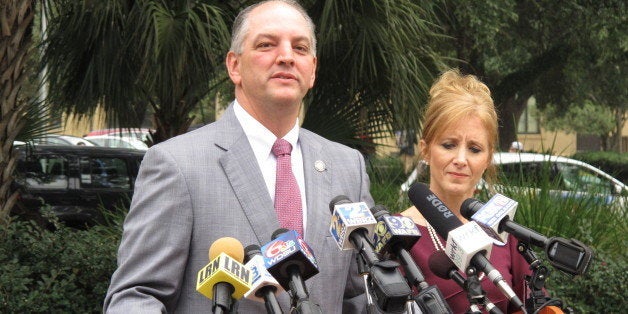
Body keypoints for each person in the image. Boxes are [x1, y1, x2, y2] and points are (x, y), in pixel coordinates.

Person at [103, 1, 373, 313]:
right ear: (234, 66)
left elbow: (355, 295)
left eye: (299, 48)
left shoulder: (347, 166)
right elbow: (137, 296)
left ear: (312, 70)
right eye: (266, 44)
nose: (286, 57)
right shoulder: (177, 164)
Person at [400, 69, 531, 313]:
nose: (461, 159)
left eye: (474, 149)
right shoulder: (398, 235)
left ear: (488, 158)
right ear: (425, 150)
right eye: (449, 145)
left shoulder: (505, 233)